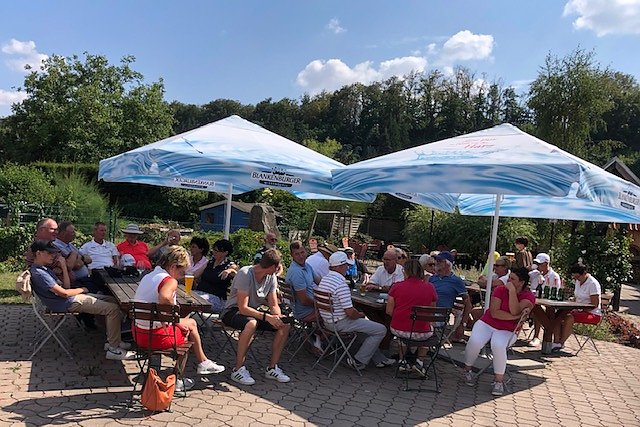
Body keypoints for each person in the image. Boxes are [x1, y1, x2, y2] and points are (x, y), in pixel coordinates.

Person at [133, 245, 225, 392]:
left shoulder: (148, 276)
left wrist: (172, 318)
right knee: (190, 328)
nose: (183, 275)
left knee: (188, 322)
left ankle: (203, 362)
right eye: (182, 272)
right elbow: (164, 297)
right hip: (156, 336)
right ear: (174, 266)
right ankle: (179, 379)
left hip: (139, 334)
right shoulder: (169, 280)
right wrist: (172, 316)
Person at [29, 240, 135, 360]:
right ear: (38, 253)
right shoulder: (40, 273)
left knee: (113, 300)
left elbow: (67, 287)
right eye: (49, 253)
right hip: (65, 303)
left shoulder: (44, 269)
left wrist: (64, 267)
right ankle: (114, 349)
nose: (53, 256)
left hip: (67, 299)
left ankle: (114, 340)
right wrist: (82, 289)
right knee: (112, 309)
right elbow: (64, 293)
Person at [222, 249, 291, 385]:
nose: (279, 270)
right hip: (232, 311)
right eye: (278, 267)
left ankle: (272, 368)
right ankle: (238, 369)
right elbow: (243, 308)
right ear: (273, 267)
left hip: (253, 312)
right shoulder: (245, 273)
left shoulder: (271, 277)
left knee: (285, 324)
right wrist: (267, 317)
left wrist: (277, 317)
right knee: (251, 323)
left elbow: (273, 304)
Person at [462, 267, 535, 396]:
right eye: (509, 277)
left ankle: (498, 381)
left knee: (498, 344)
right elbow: (495, 313)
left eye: (512, 279)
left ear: (521, 282)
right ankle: (467, 369)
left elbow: (514, 310)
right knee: (475, 341)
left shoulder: (528, 297)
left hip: (509, 330)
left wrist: (512, 292)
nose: (509, 280)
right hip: (488, 322)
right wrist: (515, 317)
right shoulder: (500, 290)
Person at [318, 251, 395, 370]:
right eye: (346, 266)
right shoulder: (340, 284)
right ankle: (358, 361)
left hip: (327, 321)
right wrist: (360, 314)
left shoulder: (324, 280)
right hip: (339, 323)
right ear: (339, 266)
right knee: (381, 329)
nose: (348, 268)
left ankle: (379, 359)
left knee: (367, 330)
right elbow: (350, 313)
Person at [386, 259, 438, 376]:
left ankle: (403, 360)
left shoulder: (397, 286)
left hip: (400, 329)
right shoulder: (430, 287)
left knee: (402, 331)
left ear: (405, 272)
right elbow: (432, 312)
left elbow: (389, 311)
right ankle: (419, 361)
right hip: (422, 332)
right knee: (428, 328)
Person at [552, 263, 602, 352]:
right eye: (574, 278)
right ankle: (555, 341)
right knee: (558, 314)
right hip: (578, 310)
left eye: (578, 277)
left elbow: (594, 304)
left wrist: (578, 308)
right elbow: (577, 297)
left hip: (592, 314)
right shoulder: (578, 282)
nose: (576, 279)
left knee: (569, 317)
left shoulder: (593, 284)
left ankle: (561, 342)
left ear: (584, 274)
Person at [430, 251, 471, 343]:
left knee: (416, 320)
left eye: (440, 261)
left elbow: (468, 304)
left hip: (440, 315)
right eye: (436, 260)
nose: (436, 262)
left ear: (447, 264)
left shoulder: (456, 281)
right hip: (426, 311)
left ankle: (419, 350)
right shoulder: (432, 278)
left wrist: (462, 324)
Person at [192, 239, 237, 313]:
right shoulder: (210, 262)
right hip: (200, 293)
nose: (214, 252)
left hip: (217, 299)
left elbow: (235, 270)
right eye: (213, 250)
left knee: (193, 301)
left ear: (225, 253)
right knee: (186, 297)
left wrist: (229, 271)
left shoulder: (229, 265)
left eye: (217, 251)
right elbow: (196, 275)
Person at [528, 252, 562, 347]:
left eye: (539, 264)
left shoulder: (554, 277)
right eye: (537, 264)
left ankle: (537, 337)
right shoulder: (534, 274)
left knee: (539, 310)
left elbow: (554, 293)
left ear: (546, 264)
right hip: (532, 300)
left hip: (546, 303)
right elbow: (522, 277)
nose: (537, 266)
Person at [285, 241, 317, 322]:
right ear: (292, 255)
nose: (301, 256)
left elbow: (319, 281)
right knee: (335, 311)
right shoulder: (296, 272)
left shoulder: (307, 266)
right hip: (304, 312)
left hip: (309, 307)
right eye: (297, 254)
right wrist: (319, 305)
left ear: (306, 252)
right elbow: (304, 300)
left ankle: (318, 334)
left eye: (302, 252)